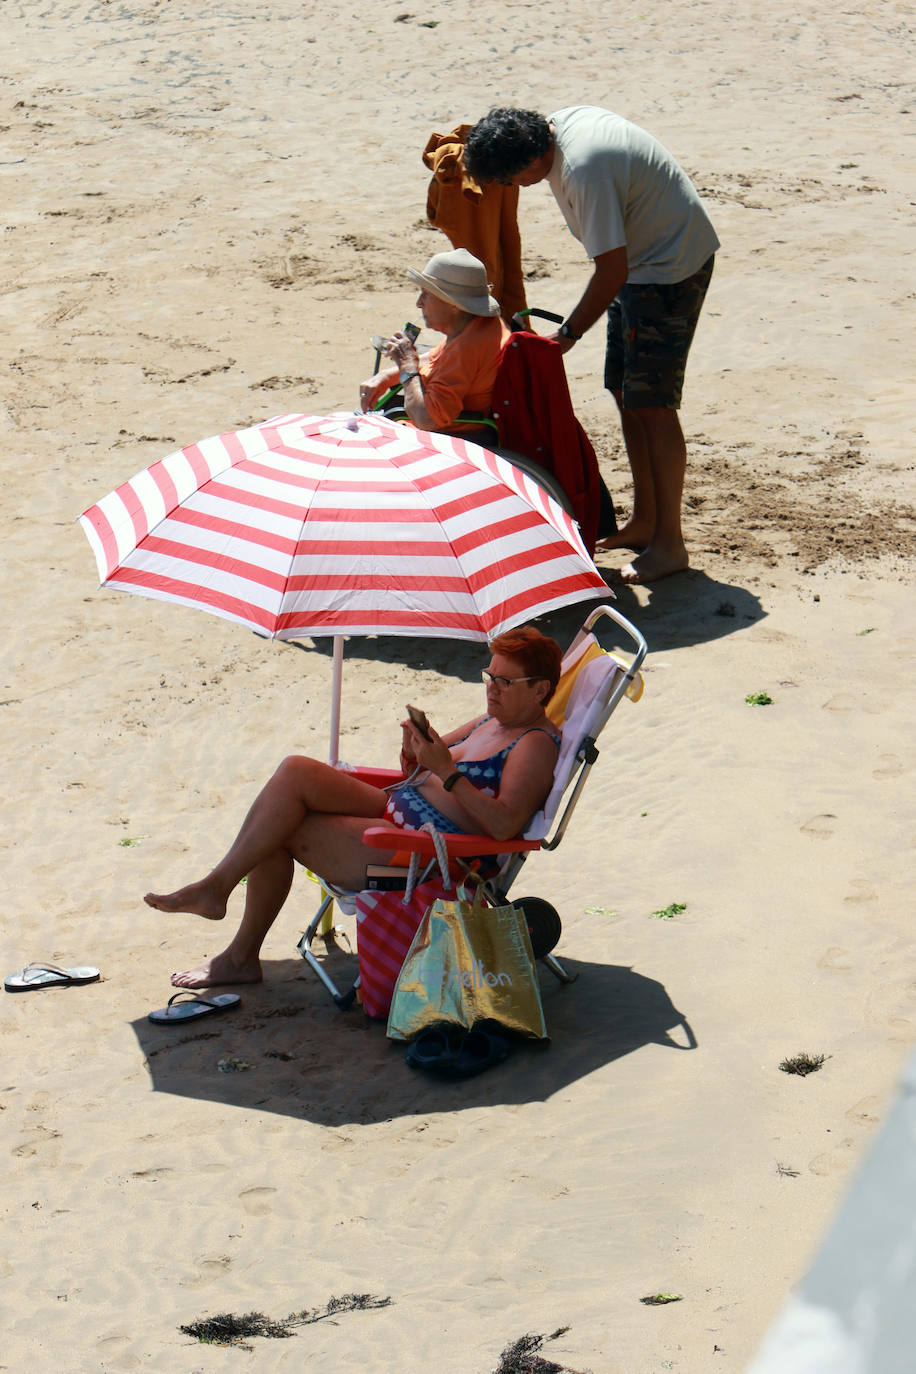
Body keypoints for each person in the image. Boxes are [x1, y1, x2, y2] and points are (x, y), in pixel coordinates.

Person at [144, 626, 562, 989]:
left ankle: (234, 944)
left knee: (280, 829)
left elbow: (506, 826)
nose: (492, 687)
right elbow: (426, 766)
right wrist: (414, 751)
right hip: (398, 808)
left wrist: (448, 772)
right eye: (489, 675)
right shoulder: (490, 720)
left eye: (506, 682)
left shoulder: (534, 744)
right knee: (295, 772)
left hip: (429, 854)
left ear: (540, 689)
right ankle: (219, 897)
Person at [463, 106, 720, 585]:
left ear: (530, 160)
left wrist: (566, 335)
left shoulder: (584, 171)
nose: (516, 188)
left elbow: (611, 269)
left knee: (654, 405)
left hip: (667, 270)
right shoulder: (558, 127)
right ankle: (645, 522)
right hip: (644, 263)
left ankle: (671, 544)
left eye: (514, 180)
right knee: (625, 392)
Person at [359, 248, 510, 436]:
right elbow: (433, 358)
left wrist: (407, 365)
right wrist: (385, 376)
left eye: (426, 294)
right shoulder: (482, 326)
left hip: (450, 439)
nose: (419, 303)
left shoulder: (466, 349)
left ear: (454, 304)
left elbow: (426, 418)